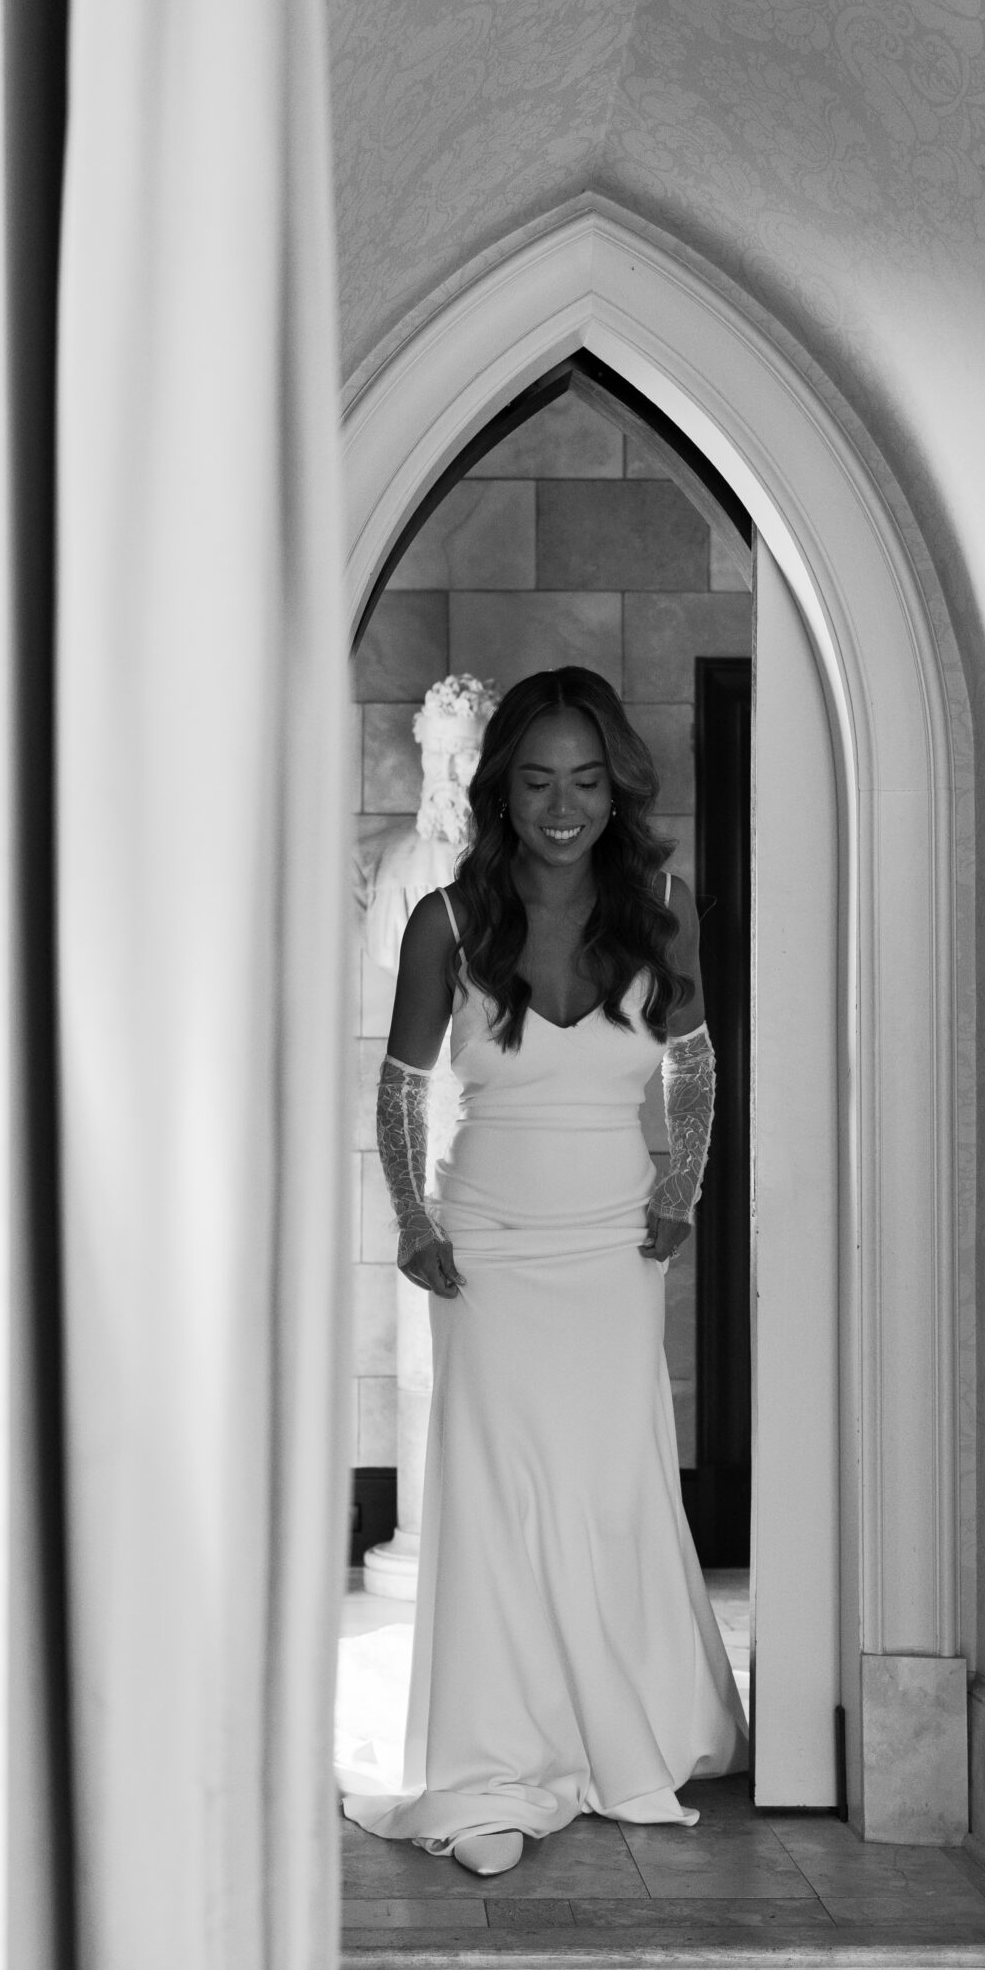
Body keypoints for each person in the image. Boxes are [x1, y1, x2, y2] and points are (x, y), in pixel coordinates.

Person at [338, 665, 747, 1875]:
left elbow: (698, 1064)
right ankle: (489, 1771)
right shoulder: (447, 923)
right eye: (535, 781)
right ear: (500, 789)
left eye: (584, 781)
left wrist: (679, 1196)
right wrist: (416, 1223)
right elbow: (404, 1086)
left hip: (616, 1246)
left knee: (608, 1490)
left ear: (614, 788)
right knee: (500, 1501)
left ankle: (614, 1732)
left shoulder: (665, 908)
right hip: (494, 1250)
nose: (561, 806)